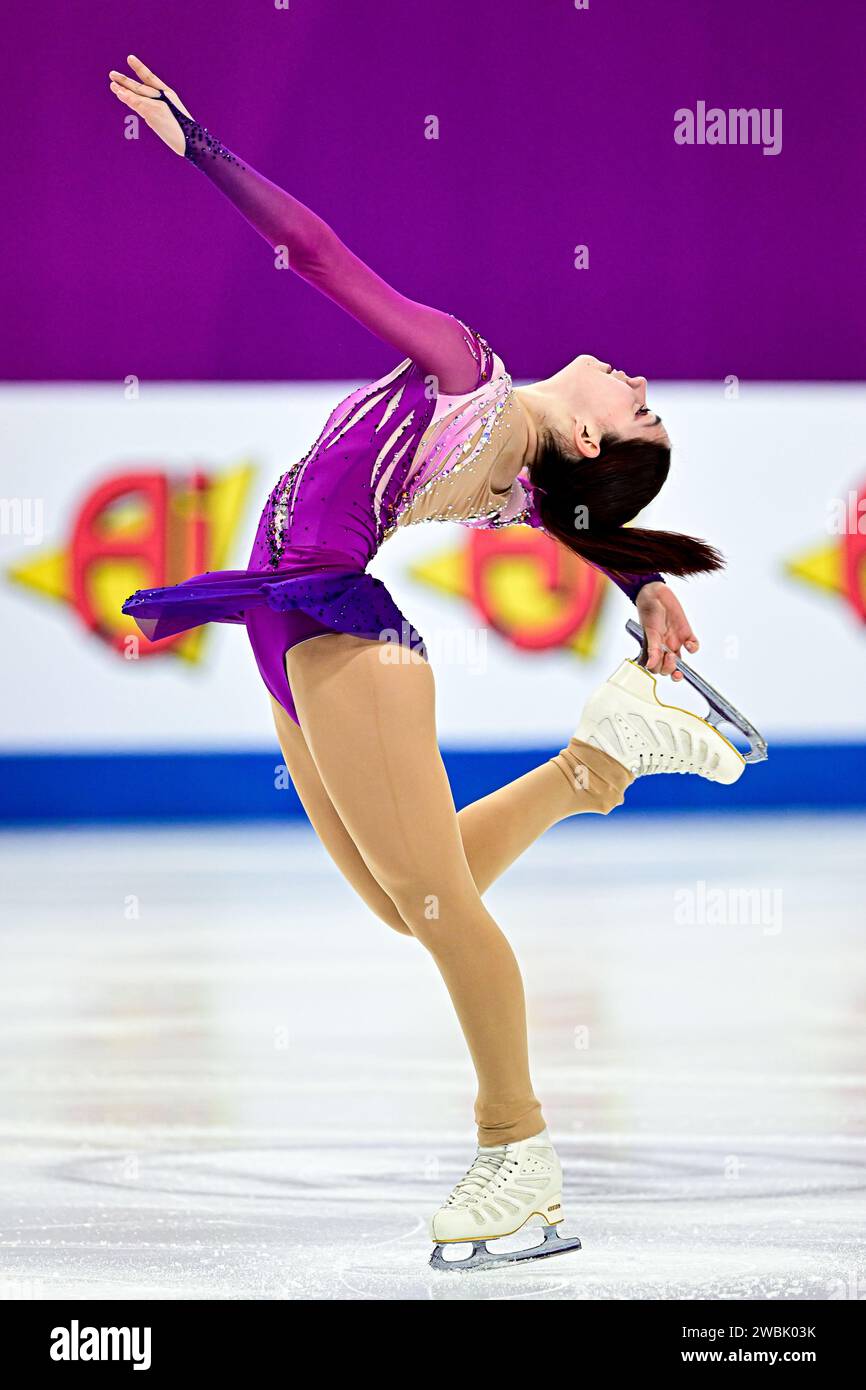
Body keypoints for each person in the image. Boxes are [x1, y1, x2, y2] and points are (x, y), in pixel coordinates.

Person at [110, 57, 744, 1269]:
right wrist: (647, 581)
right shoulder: (513, 464)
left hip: (340, 624)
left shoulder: (469, 372)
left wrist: (197, 142)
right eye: (654, 404)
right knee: (410, 905)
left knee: (439, 908)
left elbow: (317, 251)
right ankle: (593, 763)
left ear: (588, 429)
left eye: (643, 409)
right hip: (283, 623)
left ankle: (516, 1150)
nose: (643, 384)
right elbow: (574, 519)